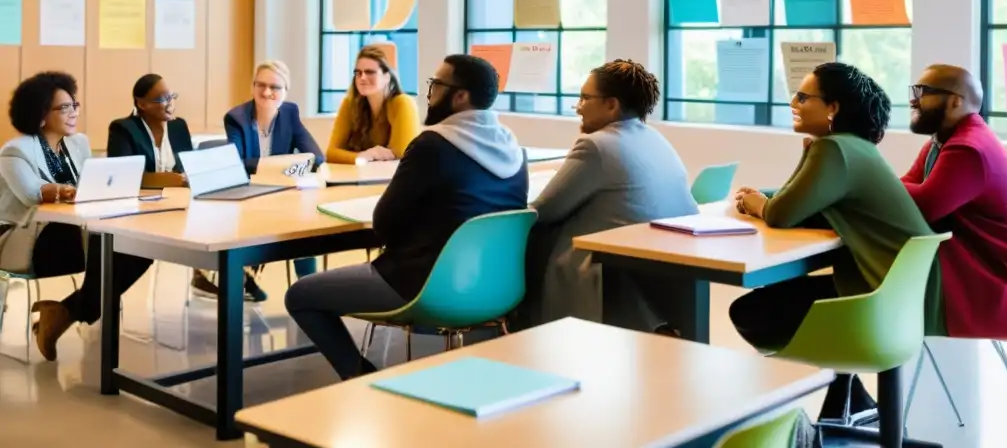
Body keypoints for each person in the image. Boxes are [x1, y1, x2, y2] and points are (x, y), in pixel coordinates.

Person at [285, 54, 529, 379]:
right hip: (494, 288)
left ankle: (360, 378)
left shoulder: (433, 145)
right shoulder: (514, 150)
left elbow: (384, 226)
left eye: (436, 85)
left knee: (300, 294)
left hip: (422, 283)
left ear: (460, 96)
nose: (429, 93)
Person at [728, 62, 944, 422]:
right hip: (901, 301)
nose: (793, 102)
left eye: (803, 96)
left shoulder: (835, 151)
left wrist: (754, 203)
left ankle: (844, 391)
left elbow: (782, 213)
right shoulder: (855, 148)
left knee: (751, 311)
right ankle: (850, 396)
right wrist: (805, 156)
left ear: (833, 108)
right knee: (784, 296)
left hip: (872, 306)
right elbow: (800, 203)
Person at [520, 59, 695, 330]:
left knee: (526, 238)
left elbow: (544, 211)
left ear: (611, 104)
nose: (578, 108)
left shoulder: (596, 145)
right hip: (654, 272)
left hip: (603, 270)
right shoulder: (654, 138)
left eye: (584, 98)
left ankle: (510, 336)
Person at [0, 72, 152, 361]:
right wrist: (69, 191)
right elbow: (32, 194)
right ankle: (64, 314)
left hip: (71, 231)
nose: (73, 114)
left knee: (140, 251)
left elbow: (96, 181)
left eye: (75, 105)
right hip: (22, 237)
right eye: (64, 108)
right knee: (103, 241)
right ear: (41, 115)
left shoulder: (78, 143)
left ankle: (64, 312)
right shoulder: (15, 152)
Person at [903, 64, 1007, 339]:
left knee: (883, 290)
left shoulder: (968, 148)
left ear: (956, 101)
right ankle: (847, 376)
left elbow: (922, 208)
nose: (914, 98)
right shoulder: (942, 142)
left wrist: (868, 178)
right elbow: (908, 186)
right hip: (982, 270)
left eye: (924, 91)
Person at [106, 74, 218, 298]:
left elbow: (188, 167)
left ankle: (218, 274)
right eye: (161, 99)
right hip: (137, 213)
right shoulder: (123, 129)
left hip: (176, 209)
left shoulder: (178, 127)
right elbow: (126, 176)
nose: (169, 104)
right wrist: (174, 179)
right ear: (142, 104)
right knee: (132, 263)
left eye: (171, 97)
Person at [224, 60, 324, 297]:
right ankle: (244, 277)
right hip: (246, 195)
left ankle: (310, 289)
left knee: (304, 222)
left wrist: (285, 170)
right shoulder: (236, 118)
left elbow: (317, 156)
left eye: (275, 87)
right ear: (253, 86)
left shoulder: (290, 113)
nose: (267, 92)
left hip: (281, 193)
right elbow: (236, 162)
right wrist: (286, 164)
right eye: (261, 85)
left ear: (285, 90)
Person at [325, 44, 419, 164]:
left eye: (370, 72)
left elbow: (402, 155)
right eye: (358, 73)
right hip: (360, 177)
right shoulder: (350, 103)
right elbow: (331, 153)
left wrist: (358, 157)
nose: (362, 77)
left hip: (397, 179)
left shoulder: (403, 103)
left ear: (387, 77)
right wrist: (365, 156)